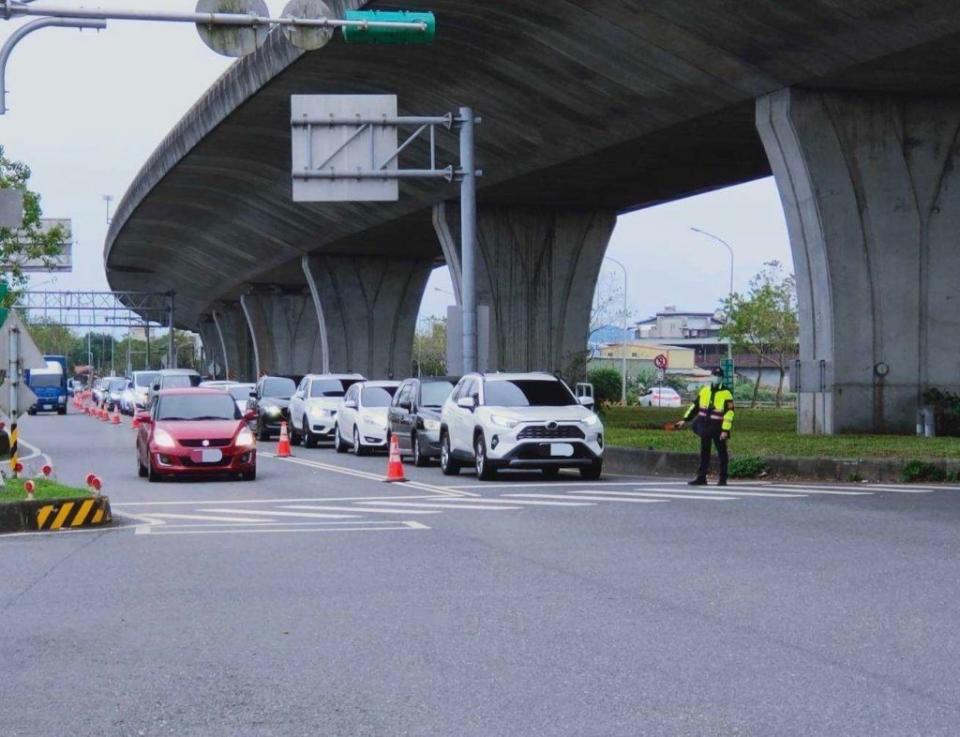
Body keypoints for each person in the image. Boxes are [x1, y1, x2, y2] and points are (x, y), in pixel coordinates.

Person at [676, 367, 735, 486]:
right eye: (715, 375)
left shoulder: (726, 393)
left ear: (722, 378)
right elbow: (695, 407)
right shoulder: (705, 391)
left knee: (722, 453)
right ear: (711, 376)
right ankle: (701, 478)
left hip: (718, 427)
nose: (716, 378)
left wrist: (725, 430)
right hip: (705, 426)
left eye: (719, 376)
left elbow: (729, 412)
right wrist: (684, 419)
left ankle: (723, 479)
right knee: (704, 453)